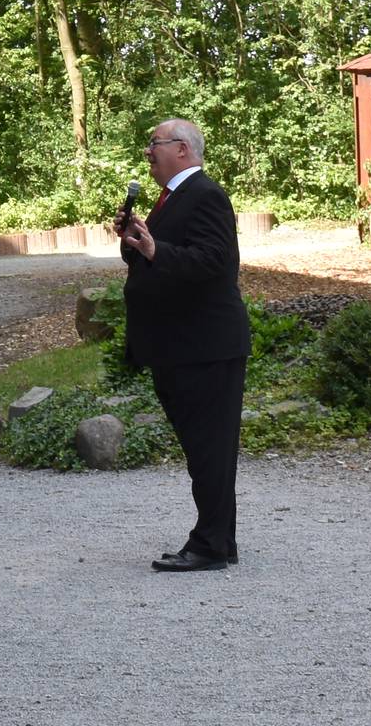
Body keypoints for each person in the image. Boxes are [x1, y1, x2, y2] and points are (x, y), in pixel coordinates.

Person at [118, 117, 249, 573]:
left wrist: (156, 250)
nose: (148, 151)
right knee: (204, 449)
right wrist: (136, 243)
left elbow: (214, 263)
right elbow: (159, 260)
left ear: (182, 149)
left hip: (205, 346)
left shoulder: (206, 194)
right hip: (181, 346)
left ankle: (209, 546)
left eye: (154, 143)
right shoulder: (172, 197)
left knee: (209, 449)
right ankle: (220, 540)